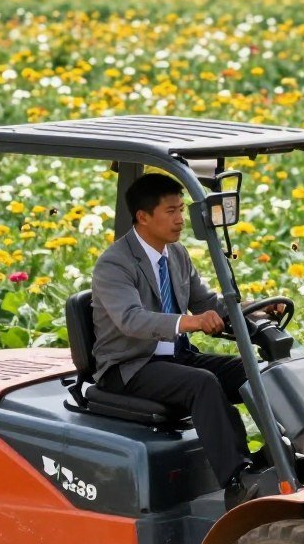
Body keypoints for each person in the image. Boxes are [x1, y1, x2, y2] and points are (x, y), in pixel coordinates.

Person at [91, 172, 269, 509]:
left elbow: (207, 304)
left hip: (175, 357)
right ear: (143, 217)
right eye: (171, 211)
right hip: (130, 366)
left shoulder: (177, 254)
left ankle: (280, 455)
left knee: (252, 371)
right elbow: (131, 319)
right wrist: (191, 322)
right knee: (202, 383)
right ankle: (236, 482)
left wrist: (254, 311)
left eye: (181, 210)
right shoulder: (114, 263)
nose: (180, 219)